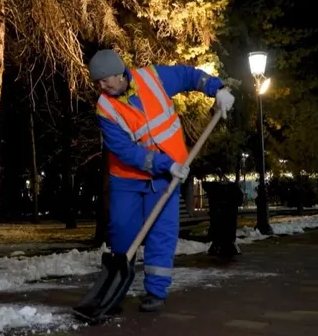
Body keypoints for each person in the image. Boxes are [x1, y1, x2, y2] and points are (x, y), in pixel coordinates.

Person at [90, 49, 234, 312]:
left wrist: (218, 89)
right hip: (128, 179)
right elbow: (125, 151)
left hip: (168, 176)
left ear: (119, 73)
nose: (101, 86)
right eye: (97, 82)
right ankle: (116, 288)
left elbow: (189, 76)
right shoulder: (104, 108)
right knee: (122, 230)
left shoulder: (153, 78)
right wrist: (165, 163)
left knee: (162, 233)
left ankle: (155, 292)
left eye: (104, 80)